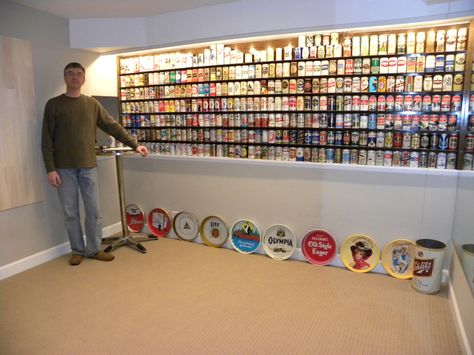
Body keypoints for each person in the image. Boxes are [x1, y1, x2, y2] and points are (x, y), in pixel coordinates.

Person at [41, 62, 148, 266]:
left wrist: (134, 145)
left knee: (94, 211)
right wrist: (50, 169)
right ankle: (77, 250)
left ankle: (93, 249)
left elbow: (112, 126)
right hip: (63, 169)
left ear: (83, 79)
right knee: (70, 211)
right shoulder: (53, 105)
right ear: (65, 78)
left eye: (78, 74)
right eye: (70, 74)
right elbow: (46, 140)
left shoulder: (91, 104)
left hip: (88, 165)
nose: (74, 77)